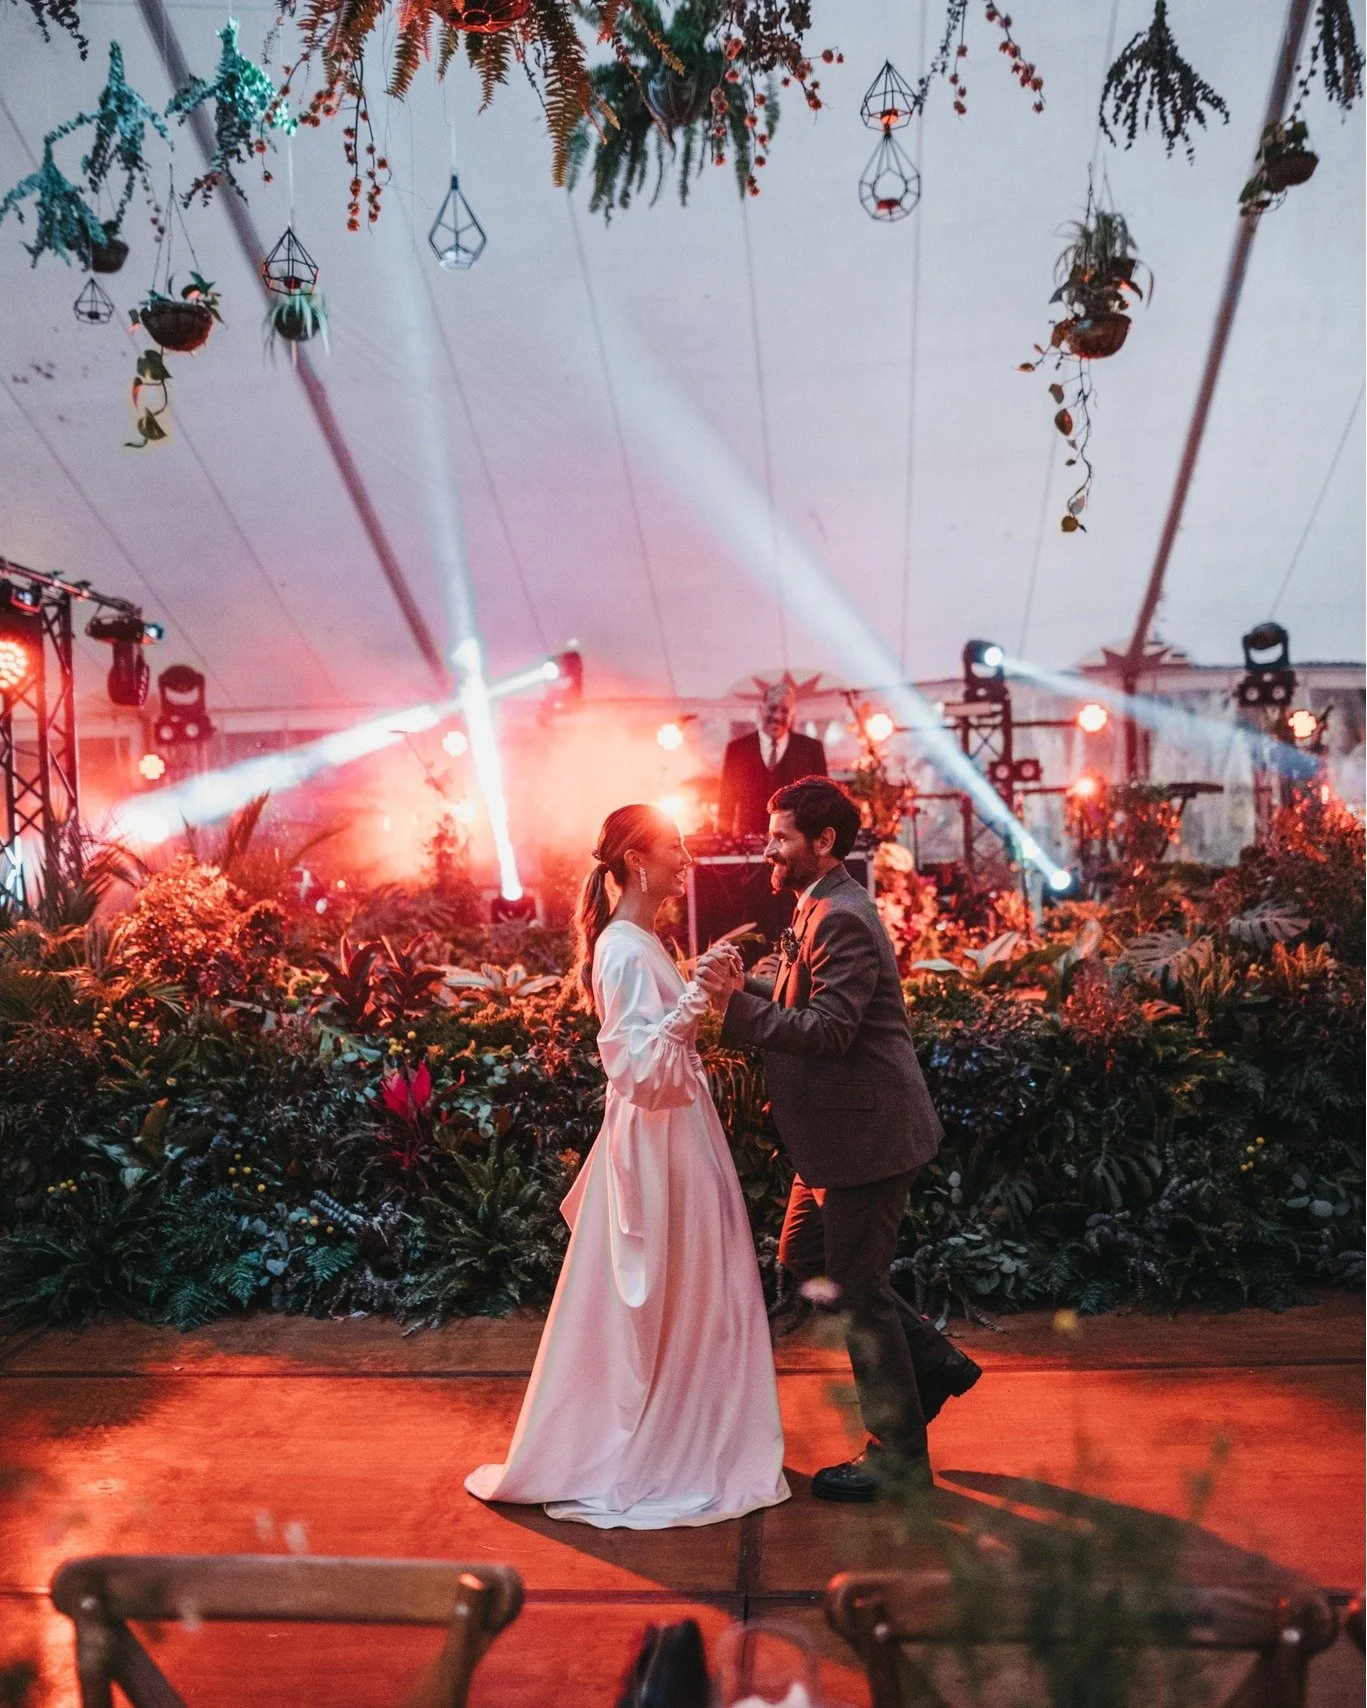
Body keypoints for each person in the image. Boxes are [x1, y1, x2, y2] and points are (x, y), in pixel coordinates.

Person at [465, 805, 789, 1529]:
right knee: (684, 1283)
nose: (686, 857)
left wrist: (716, 991)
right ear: (637, 862)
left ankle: (696, 1425)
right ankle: (671, 1441)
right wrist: (699, 997)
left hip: (673, 1130)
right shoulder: (622, 947)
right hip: (658, 1139)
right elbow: (638, 1067)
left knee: (694, 1284)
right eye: (673, 846)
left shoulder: (638, 939)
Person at [697, 776, 981, 1502]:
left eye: (781, 836)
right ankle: (935, 1364)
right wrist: (749, 987)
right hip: (831, 1138)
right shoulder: (816, 903)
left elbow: (828, 1030)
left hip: (865, 1137)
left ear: (822, 841)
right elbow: (800, 997)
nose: (768, 848)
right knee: (806, 1259)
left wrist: (733, 1013)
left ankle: (897, 1456)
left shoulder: (843, 916)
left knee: (856, 1293)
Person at [717, 681, 827, 838]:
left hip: (796, 844)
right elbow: (726, 805)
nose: (777, 716)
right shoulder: (737, 750)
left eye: (785, 711)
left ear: (792, 715)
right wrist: (723, 845)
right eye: (772, 708)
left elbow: (823, 802)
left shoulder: (812, 749)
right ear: (761, 709)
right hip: (748, 846)